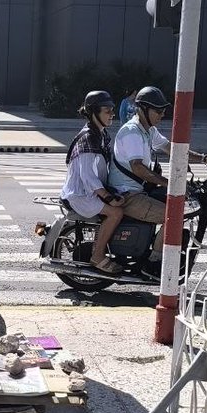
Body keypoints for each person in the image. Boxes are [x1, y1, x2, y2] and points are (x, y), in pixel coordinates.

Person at [109, 85, 207, 263]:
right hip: (127, 194)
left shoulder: (148, 130)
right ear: (143, 109)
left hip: (139, 190)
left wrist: (204, 158)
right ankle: (156, 262)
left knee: (182, 205)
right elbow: (138, 168)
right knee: (173, 217)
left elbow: (173, 149)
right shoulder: (132, 132)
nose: (162, 115)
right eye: (158, 111)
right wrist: (169, 183)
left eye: (163, 110)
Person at [59, 90, 125, 275]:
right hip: (80, 195)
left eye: (112, 110)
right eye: (107, 110)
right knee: (116, 213)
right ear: (94, 112)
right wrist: (108, 197)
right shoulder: (88, 138)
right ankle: (97, 256)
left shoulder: (101, 134)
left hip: (91, 191)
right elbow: (88, 177)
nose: (112, 114)